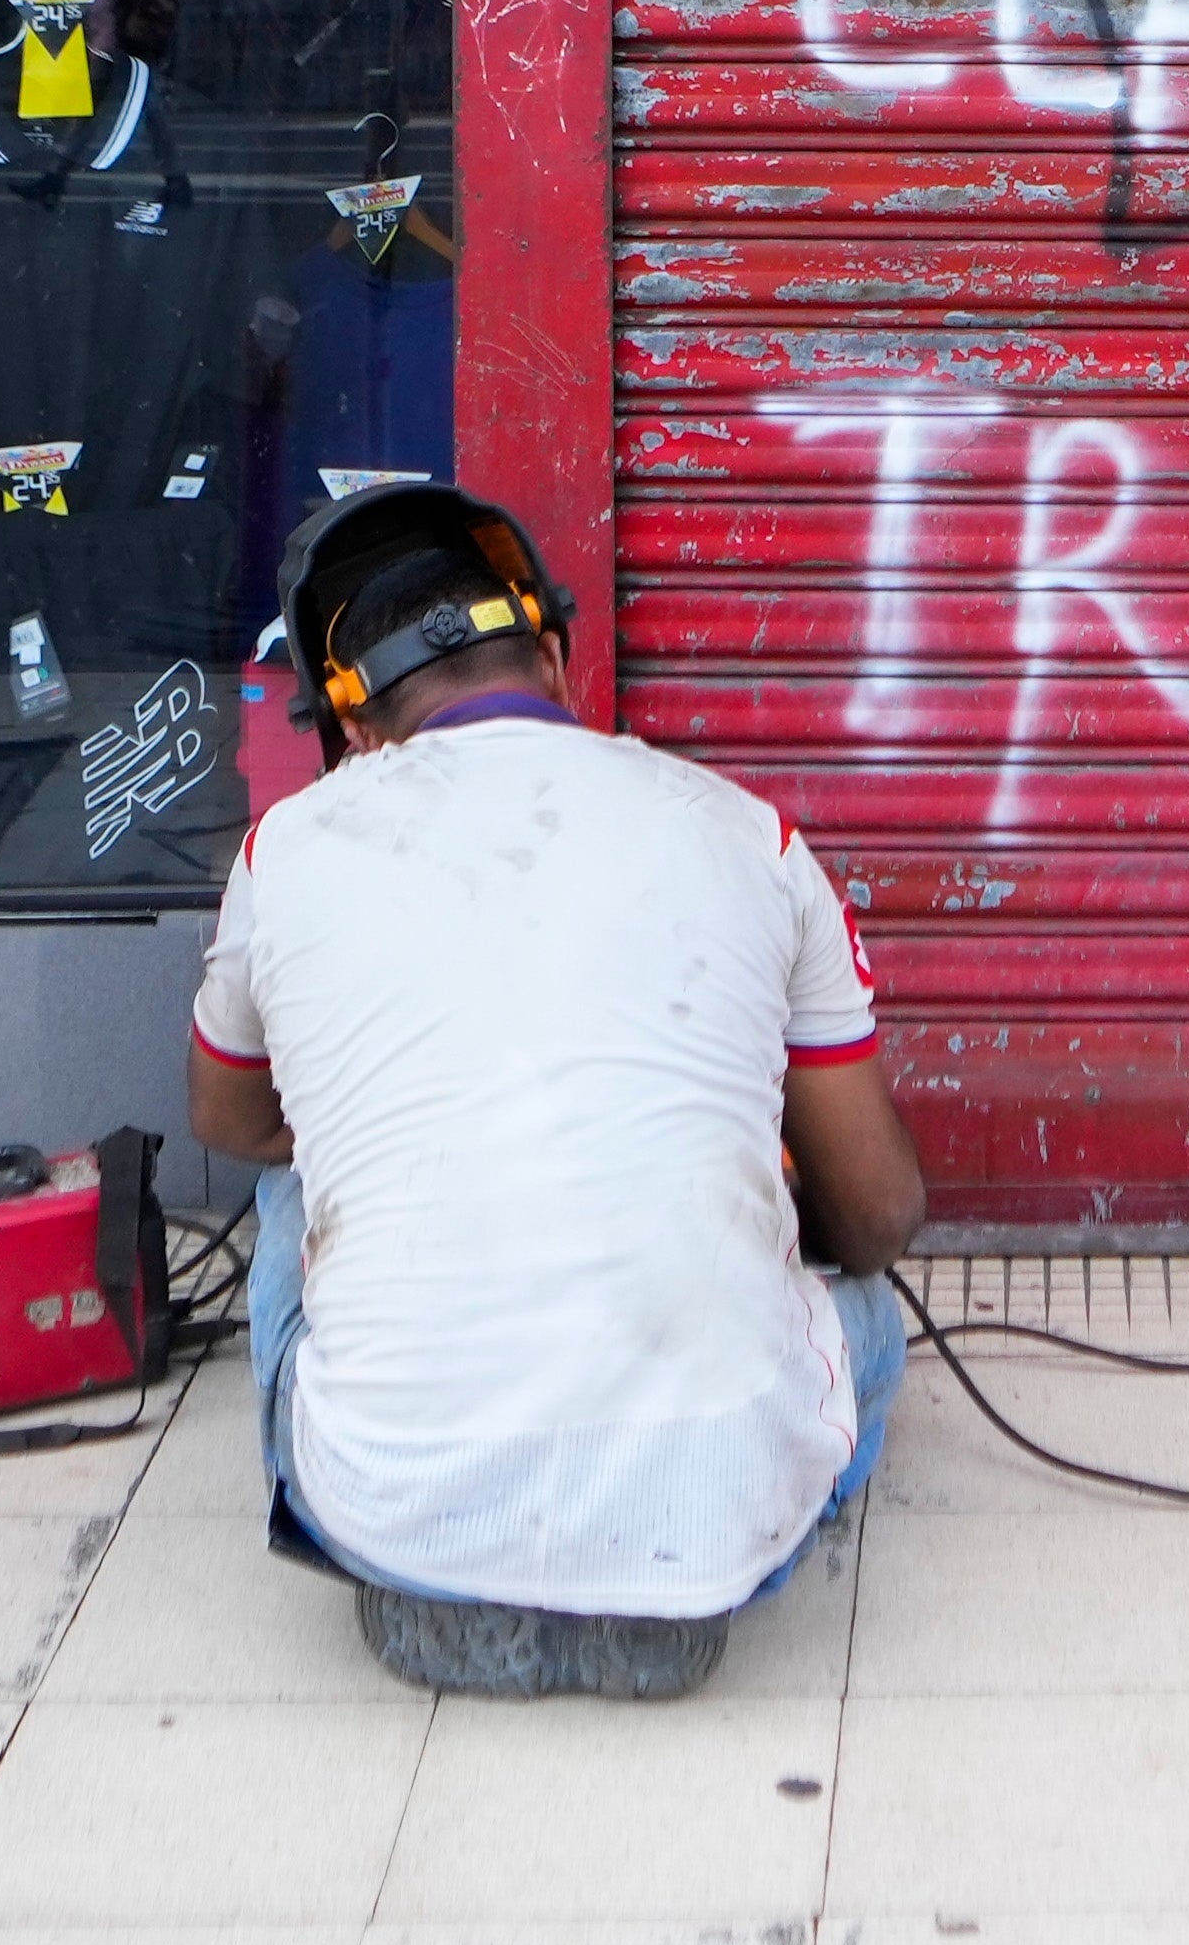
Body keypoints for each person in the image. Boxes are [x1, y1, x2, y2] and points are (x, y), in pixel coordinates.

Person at [188, 479, 924, 1693]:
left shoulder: (289, 849)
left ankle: (446, 1553)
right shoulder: (746, 830)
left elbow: (227, 1120)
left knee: (288, 1183)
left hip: (385, 1513)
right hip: (720, 1524)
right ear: (555, 659)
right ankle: (662, 1565)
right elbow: (880, 1215)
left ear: (352, 728)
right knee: (867, 1327)